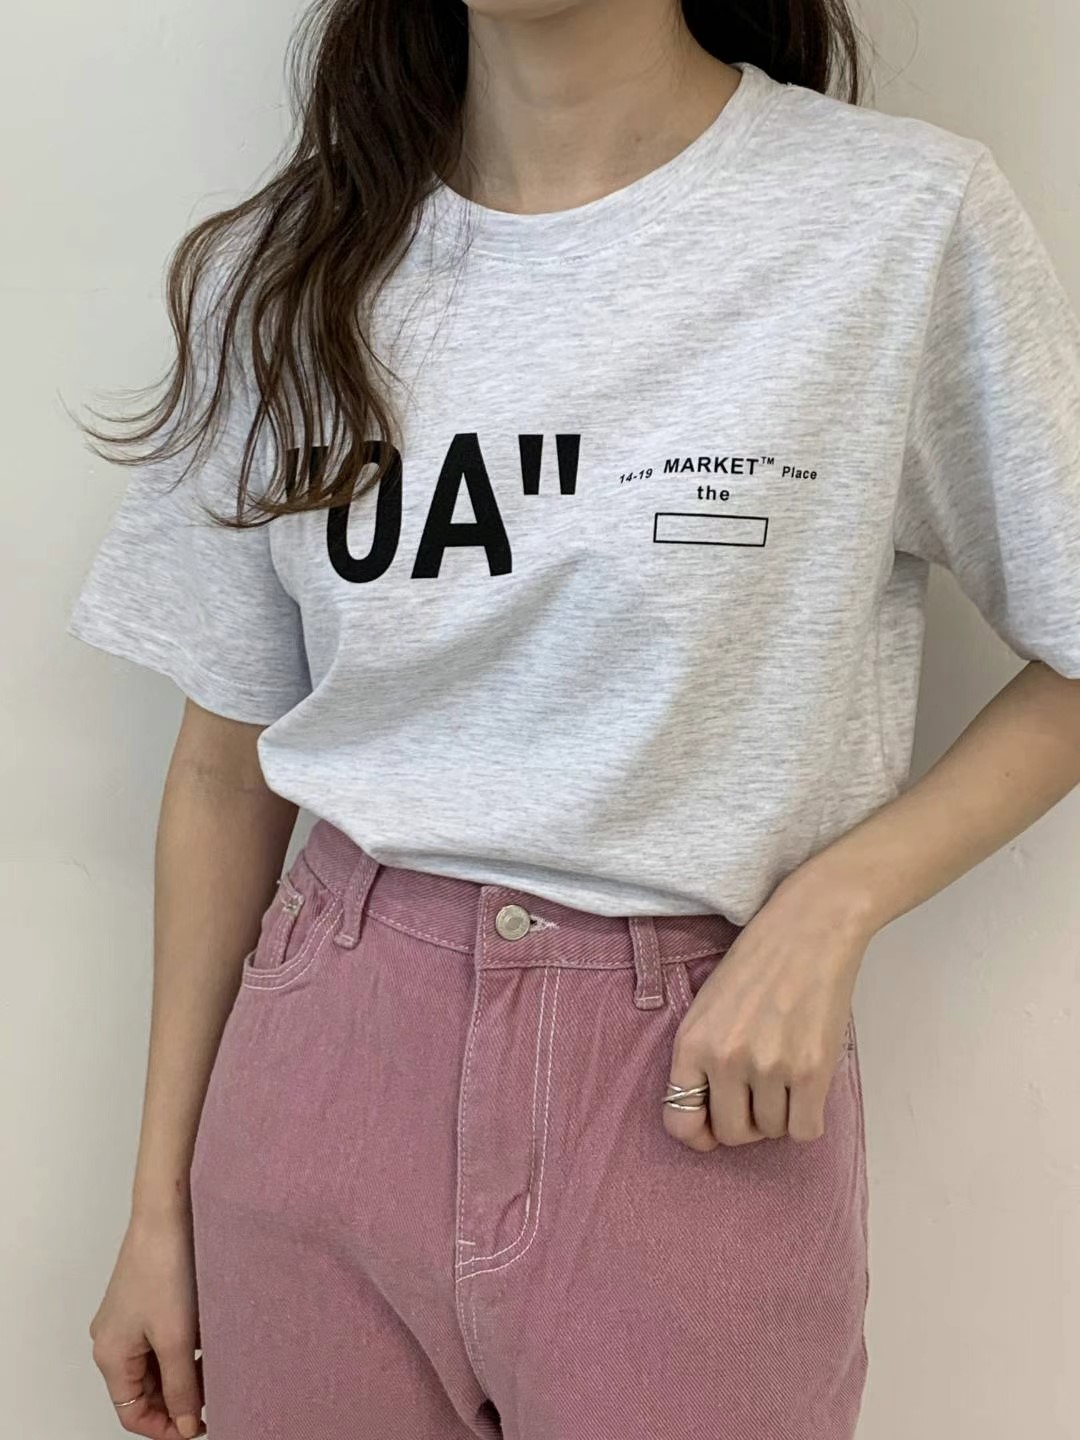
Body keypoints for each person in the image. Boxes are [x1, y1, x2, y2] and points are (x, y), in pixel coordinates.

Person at [68, 2, 1080, 1438]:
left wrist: (836, 901)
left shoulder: (894, 222)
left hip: (695, 1086)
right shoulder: (288, 263)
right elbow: (226, 773)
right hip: (324, 1073)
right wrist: (158, 1205)